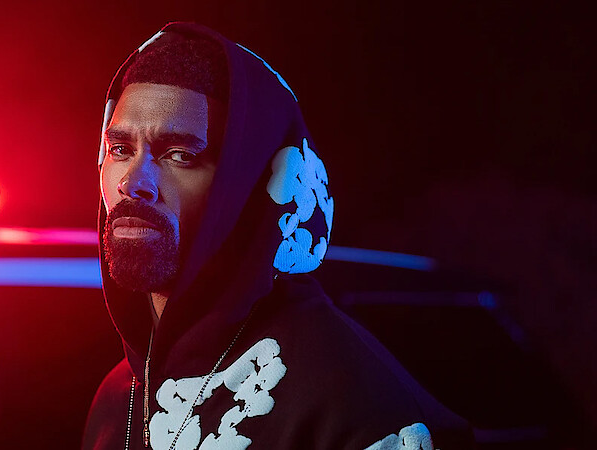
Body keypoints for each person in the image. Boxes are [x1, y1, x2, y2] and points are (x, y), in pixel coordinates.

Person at [83, 22, 474, 450]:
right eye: (120, 150)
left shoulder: (353, 405)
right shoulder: (118, 396)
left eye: (180, 155)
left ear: (251, 187)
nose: (134, 182)